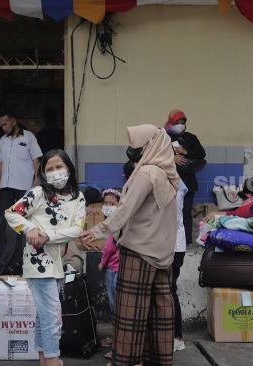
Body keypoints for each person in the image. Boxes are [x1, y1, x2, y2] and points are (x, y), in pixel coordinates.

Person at [81, 124, 179, 366]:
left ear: (149, 146)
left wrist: (98, 230)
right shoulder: (167, 172)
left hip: (139, 251)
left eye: (136, 144)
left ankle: (126, 361)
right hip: (163, 254)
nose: (131, 149)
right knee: (158, 313)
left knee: (131, 313)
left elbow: (124, 210)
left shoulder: (145, 174)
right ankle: (156, 359)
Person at [4, 149, 86, 366]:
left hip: (60, 262)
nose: (55, 172)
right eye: (49, 169)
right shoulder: (37, 193)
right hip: (38, 264)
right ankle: (52, 360)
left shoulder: (78, 197)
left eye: (59, 167)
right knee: (52, 317)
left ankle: (44, 360)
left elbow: (77, 229)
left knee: (44, 316)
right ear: (42, 173)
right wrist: (29, 228)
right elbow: (11, 212)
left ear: (69, 168)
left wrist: (47, 236)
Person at [0, 108, 43, 276]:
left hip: (23, 184)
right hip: (6, 184)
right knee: (5, 218)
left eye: (6, 124)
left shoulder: (28, 137)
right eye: (1, 125)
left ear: (13, 121)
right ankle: (4, 251)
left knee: (24, 217)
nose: (3, 127)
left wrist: (36, 179)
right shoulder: (2, 140)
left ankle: (22, 248)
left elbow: (36, 159)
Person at [165, 109, 206, 245]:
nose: (181, 125)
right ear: (171, 122)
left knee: (185, 211)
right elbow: (155, 156)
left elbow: (201, 154)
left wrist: (185, 151)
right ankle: (169, 240)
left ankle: (186, 240)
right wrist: (173, 158)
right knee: (169, 213)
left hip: (188, 182)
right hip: (169, 183)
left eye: (183, 122)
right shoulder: (163, 137)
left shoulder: (190, 138)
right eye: (178, 122)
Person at [97, 188, 122, 360]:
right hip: (117, 268)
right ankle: (115, 338)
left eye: (112, 204)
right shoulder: (112, 223)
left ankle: (119, 344)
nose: (107, 206)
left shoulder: (116, 224)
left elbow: (109, 248)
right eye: (105, 203)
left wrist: (101, 263)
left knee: (116, 307)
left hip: (114, 270)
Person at [172, 180, 188, 353]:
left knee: (169, 291)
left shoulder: (174, 185)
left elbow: (173, 219)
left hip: (173, 247)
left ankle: (177, 337)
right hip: (172, 246)